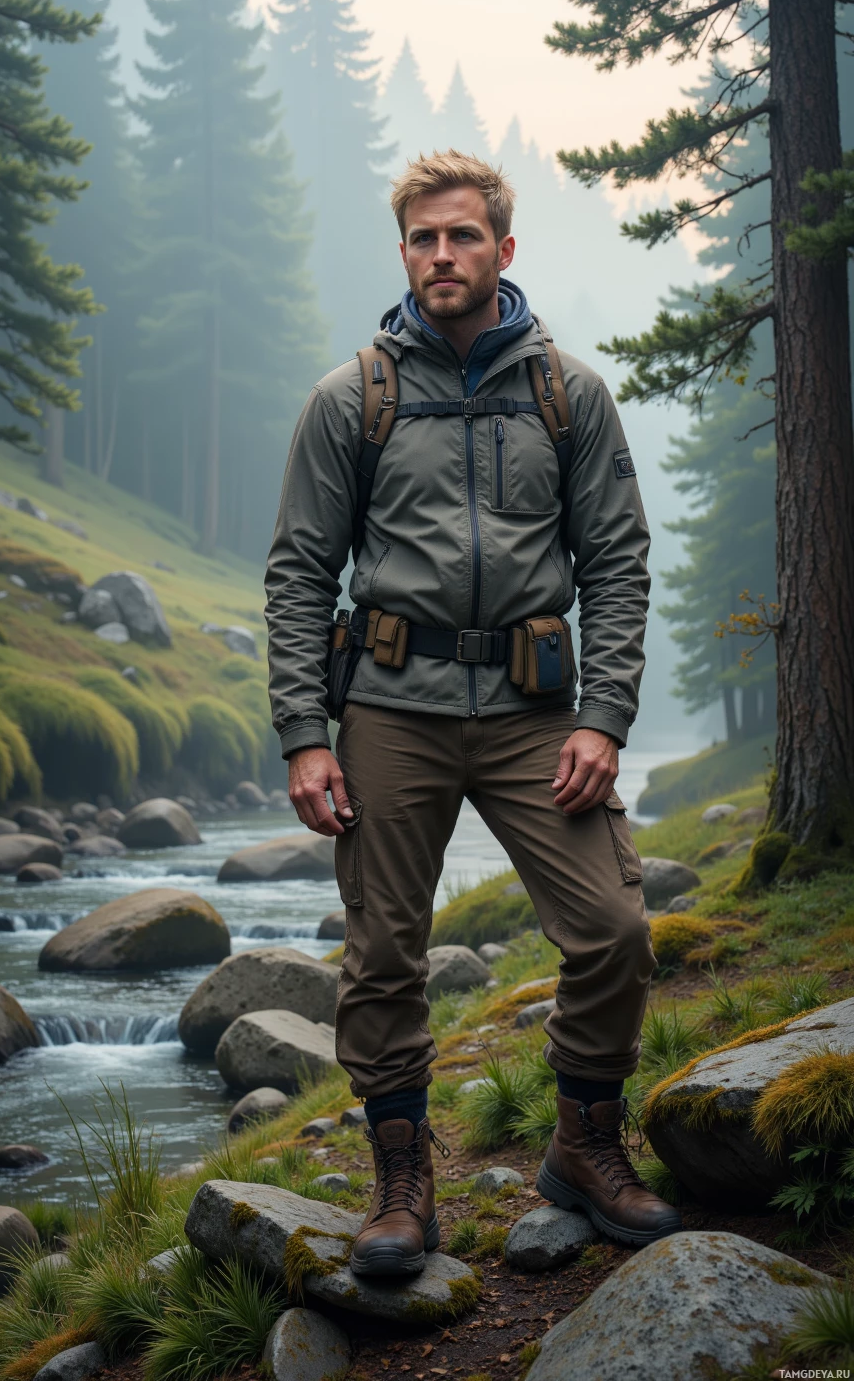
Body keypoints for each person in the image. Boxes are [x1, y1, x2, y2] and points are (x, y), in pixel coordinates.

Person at [264, 148, 681, 1280]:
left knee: (614, 930)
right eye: (421, 239)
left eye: (460, 235)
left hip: (535, 711)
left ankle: (584, 1146)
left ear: (503, 246)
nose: (440, 255)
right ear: (403, 252)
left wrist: (603, 717)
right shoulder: (353, 397)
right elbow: (301, 571)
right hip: (388, 709)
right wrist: (305, 733)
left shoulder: (568, 393)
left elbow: (618, 565)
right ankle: (403, 1186)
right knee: (384, 953)